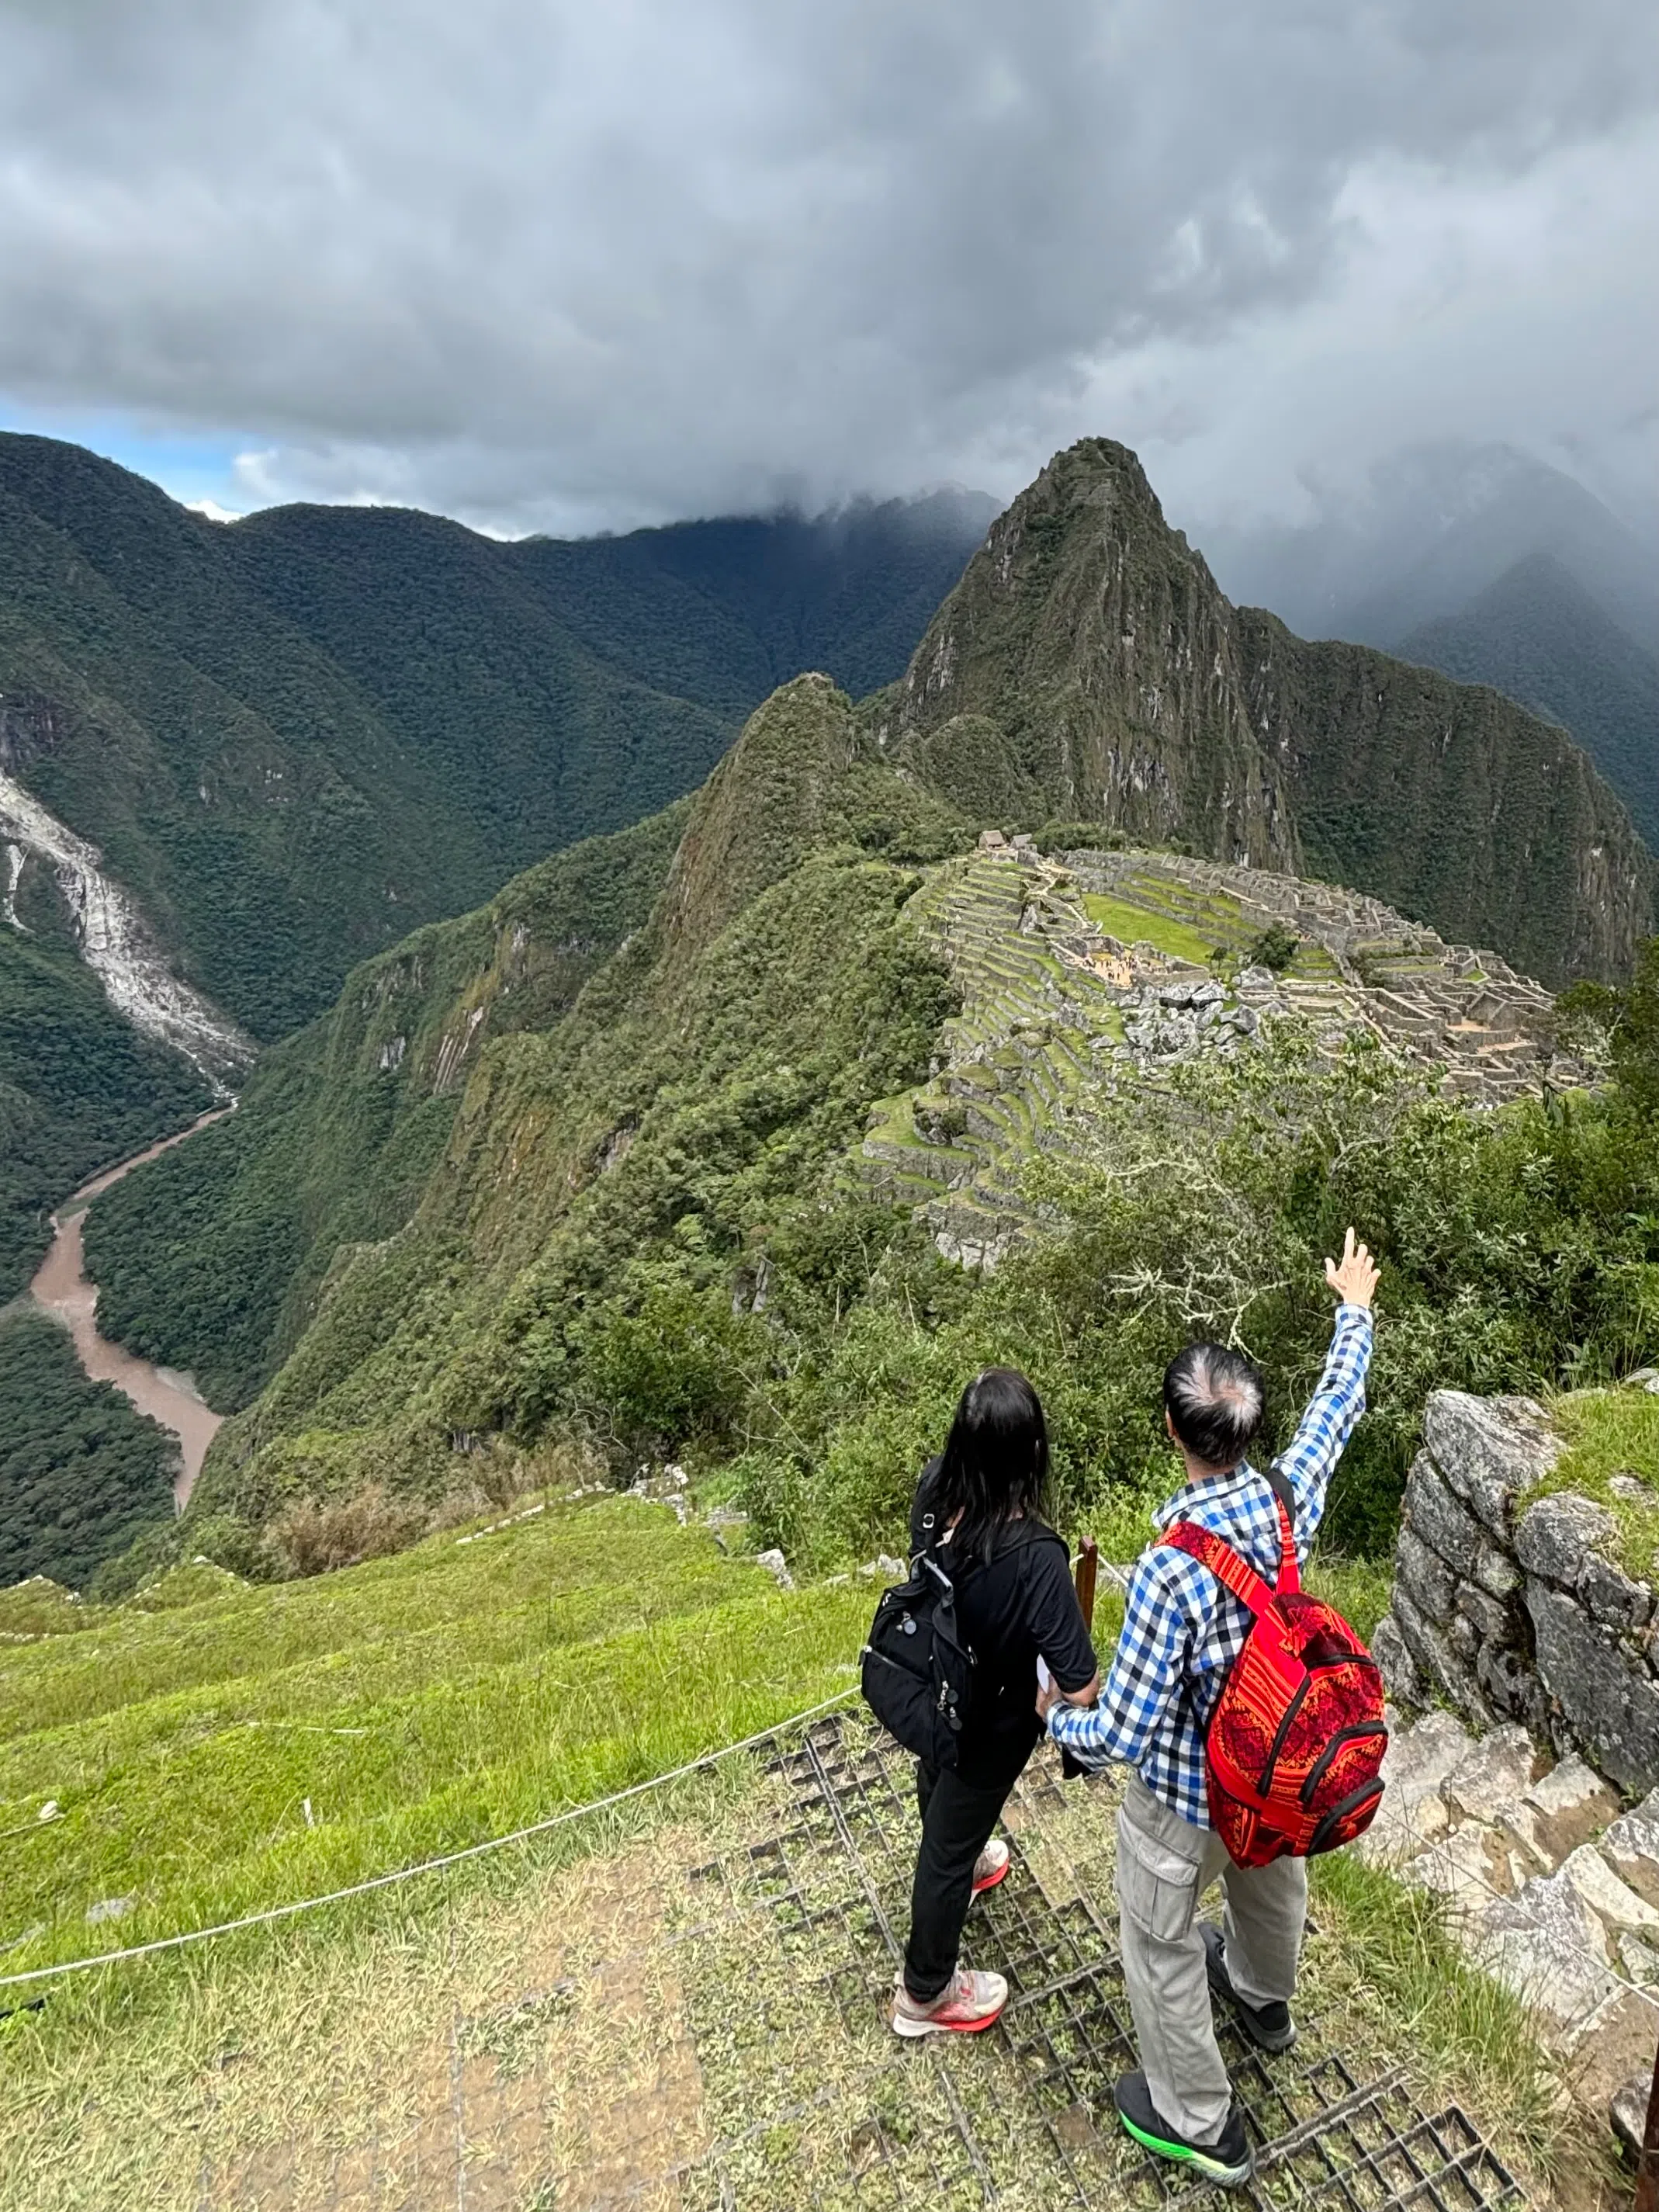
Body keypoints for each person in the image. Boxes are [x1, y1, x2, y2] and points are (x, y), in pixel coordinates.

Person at [1039, 1229, 1380, 2187]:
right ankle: (1264, 1999)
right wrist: (1350, 1310)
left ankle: (1198, 2119)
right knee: (1269, 1878)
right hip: (1276, 1769)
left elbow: (1122, 1733)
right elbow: (1336, 1409)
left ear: (1168, 1430)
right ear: (1244, 1431)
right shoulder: (1284, 1499)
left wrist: (1050, 1721)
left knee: (1157, 1940)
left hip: (1189, 1796)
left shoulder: (1167, 1570)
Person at [892, 1367, 1101, 2038]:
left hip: (935, 1685)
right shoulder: (1037, 1557)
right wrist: (1053, 1705)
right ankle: (923, 1993)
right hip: (993, 1719)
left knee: (942, 1797)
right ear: (1032, 1453)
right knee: (947, 1850)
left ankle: (964, 1850)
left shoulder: (934, 1486)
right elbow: (1079, 1684)